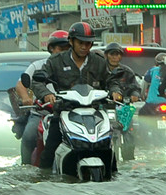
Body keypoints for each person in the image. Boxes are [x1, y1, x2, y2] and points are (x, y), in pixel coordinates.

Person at [30, 22, 115, 170]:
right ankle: (43, 180)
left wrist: (116, 92)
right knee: (49, 151)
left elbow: (112, 81)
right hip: (64, 113)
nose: (84, 47)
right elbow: (37, 82)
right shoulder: (56, 61)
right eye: (80, 43)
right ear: (71, 41)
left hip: (94, 115)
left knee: (108, 149)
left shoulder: (99, 62)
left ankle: (113, 178)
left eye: (88, 44)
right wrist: (47, 94)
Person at [14, 30, 69, 164]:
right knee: (28, 136)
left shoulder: (74, 67)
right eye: (61, 48)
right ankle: (25, 166)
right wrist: (26, 97)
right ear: (51, 48)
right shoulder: (38, 66)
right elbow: (21, 85)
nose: (64, 52)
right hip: (41, 113)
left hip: (68, 113)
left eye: (68, 49)